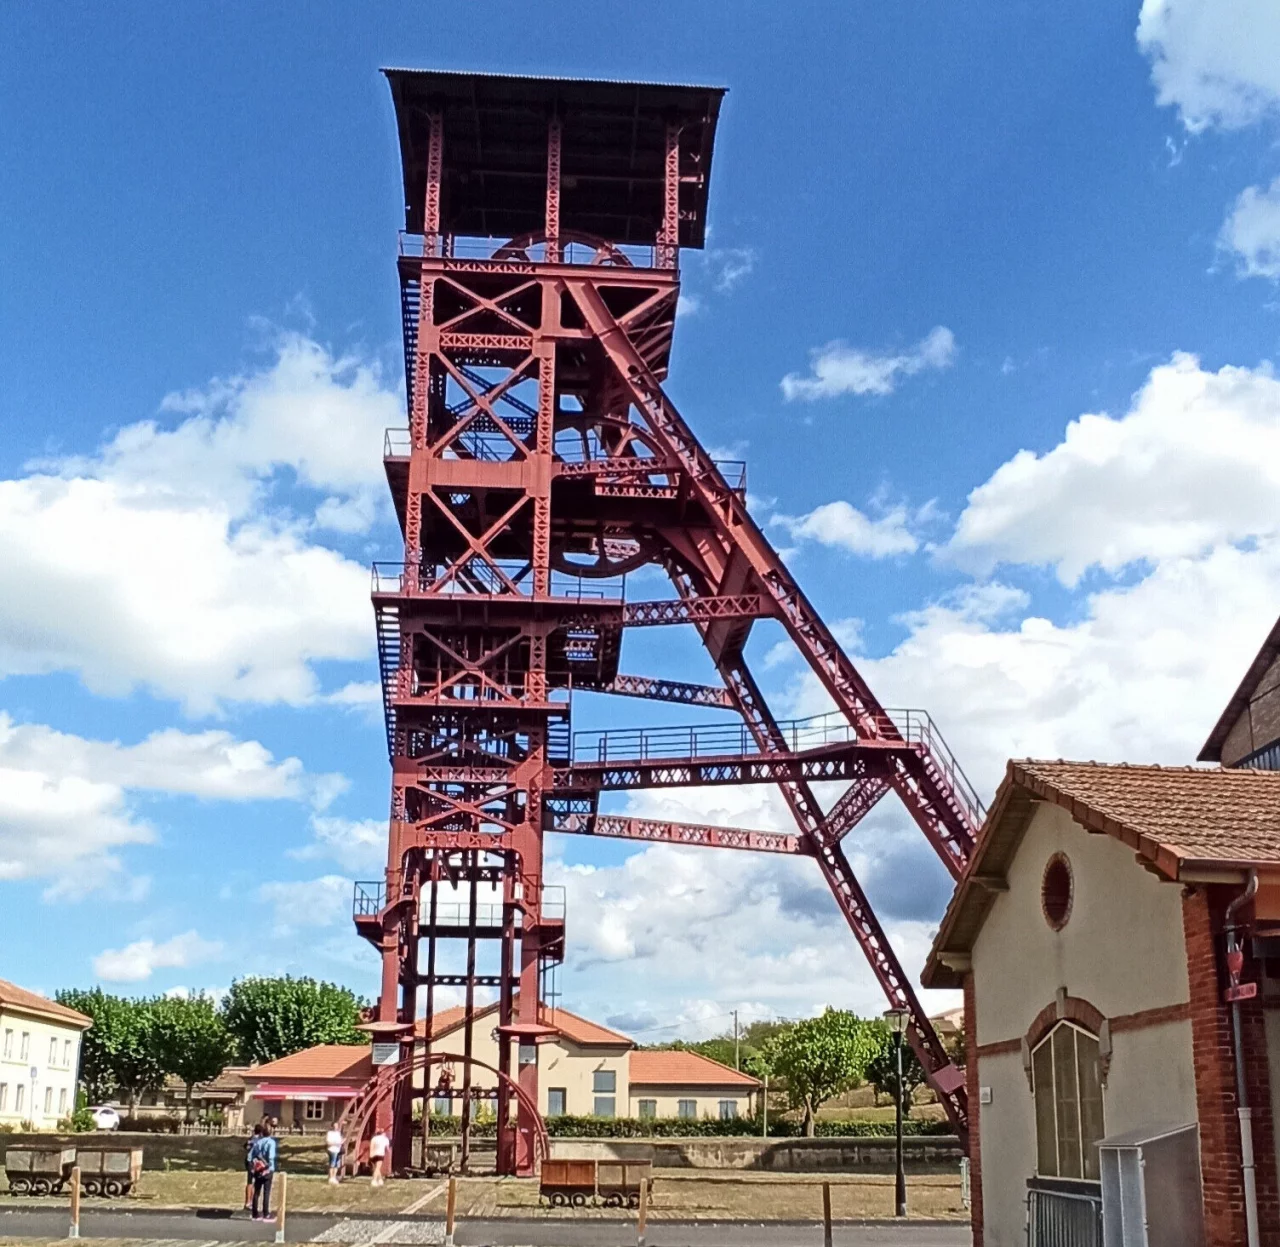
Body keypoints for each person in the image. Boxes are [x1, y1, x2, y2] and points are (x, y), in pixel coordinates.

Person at [248, 1121, 278, 1222]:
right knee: (266, 1191)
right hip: (268, 1169)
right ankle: (266, 1213)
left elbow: (252, 1156)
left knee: (257, 1191)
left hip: (258, 1168)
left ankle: (255, 1214)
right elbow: (271, 1157)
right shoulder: (271, 1142)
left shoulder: (258, 1142)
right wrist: (268, 1166)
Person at [243, 1123, 262, 1211]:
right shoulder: (258, 1140)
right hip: (253, 1161)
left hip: (250, 1161)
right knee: (252, 1182)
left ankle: (249, 1202)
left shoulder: (251, 1138)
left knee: (251, 1182)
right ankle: (249, 1202)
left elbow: (245, 1146)